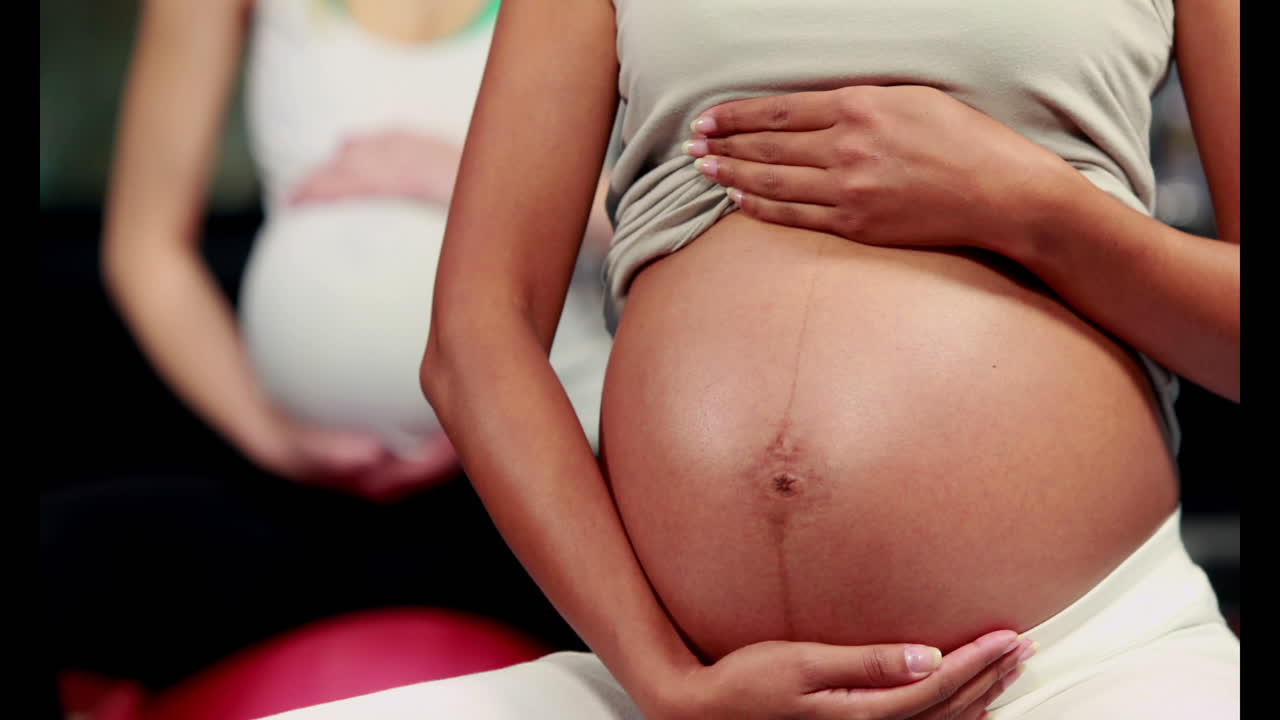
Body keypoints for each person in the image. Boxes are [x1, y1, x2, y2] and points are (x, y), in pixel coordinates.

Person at [266, 0, 1239, 718]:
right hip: (683, 689)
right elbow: (476, 338)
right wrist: (665, 682)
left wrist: (1032, 210)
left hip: (1069, 664)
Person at [45, 0, 614, 705]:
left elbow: (688, 202)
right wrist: (274, 436)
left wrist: (462, 176)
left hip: (543, 486)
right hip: (305, 490)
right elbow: (147, 252)